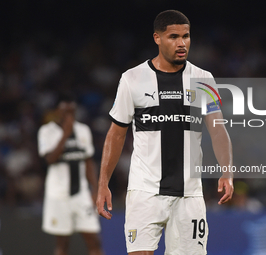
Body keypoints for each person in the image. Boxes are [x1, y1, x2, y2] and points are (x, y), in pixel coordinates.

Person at [96, 10, 234, 255]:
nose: (181, 43)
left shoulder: (204, 79)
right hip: (145, 191)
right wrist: (103, 183)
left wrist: (227, 171)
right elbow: (116, 135)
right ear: (157, 38)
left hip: (189, 194)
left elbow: (218, 129)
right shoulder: (132, 79)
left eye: (186, 36)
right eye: (173, 36)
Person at [37, 93, 104, 255]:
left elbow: (88, 162)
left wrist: (95, 190)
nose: (69, 115)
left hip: (81, 193)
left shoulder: (83, 130)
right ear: (57, 111)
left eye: (72, 111)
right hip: (58, 194)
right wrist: (65, 134)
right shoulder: (47, 131)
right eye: (65, 111)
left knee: (94, 240)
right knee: (62, 243)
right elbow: (50, 160)